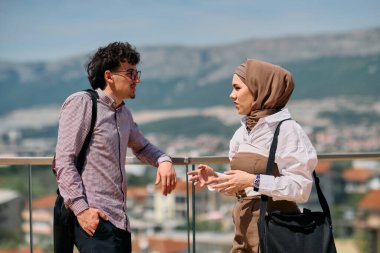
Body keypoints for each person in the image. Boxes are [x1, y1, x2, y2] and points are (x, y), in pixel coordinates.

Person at [53, 42, 177, 253]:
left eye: (137, 73)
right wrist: (83, 211)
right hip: (93, 218)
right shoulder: (83, 103)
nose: (136, 79)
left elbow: (142, 146)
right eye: (130, 73)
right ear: (109, 76)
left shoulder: (124, 114)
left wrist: (164, 160)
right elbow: (63, 160)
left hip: (118, 221)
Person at [188, 59, 317, 253]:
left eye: (237, 88)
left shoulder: (287, 130)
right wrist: (217, 180)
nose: (231, 95)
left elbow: (301, 189)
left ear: (259, 89)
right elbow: (246, 187)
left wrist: (251, 180)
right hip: (243, 232)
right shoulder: (242, 133)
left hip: (275, 232)